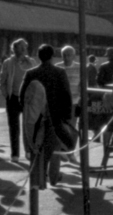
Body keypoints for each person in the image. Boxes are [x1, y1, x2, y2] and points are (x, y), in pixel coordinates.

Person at [20, 43, 74, 185]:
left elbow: (23, 96)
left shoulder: (31, 73)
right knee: (55, 147)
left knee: (37, 147)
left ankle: (39, 179)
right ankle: (54, 176)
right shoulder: (60, 72)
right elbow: (66, 95)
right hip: (56, 117)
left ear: (38, 56)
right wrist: (67, 116)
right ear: (52, 56)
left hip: (36, 117)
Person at [0, 38, 35, 160]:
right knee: (14, 127)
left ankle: (28, 151)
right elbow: (2, 80)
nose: (24, 49)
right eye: (21, 47)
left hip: (28, 98)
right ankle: (15, 154)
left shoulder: (31, 62)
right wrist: (6, 94)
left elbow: (36, 79)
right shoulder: (8, 62)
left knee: (28, 126)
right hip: (13, 97)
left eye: (25, 47)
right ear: (14, 49)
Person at [60, 44, 82, 115]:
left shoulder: (80, 67)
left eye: (68, 55)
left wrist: (81, 98)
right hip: (60, 101)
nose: (66, 57)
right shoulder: (57, 67)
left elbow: (83, 84)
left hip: (75, 101)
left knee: (73, 123)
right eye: (64, 55)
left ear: (73, 56)